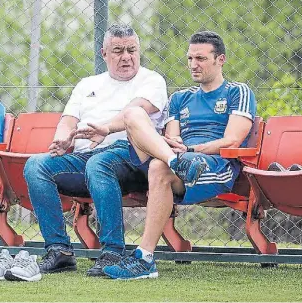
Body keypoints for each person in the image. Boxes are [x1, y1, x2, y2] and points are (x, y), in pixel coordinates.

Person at [0, 24, 168, 281]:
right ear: (104, 53)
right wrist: (62, 138)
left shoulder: (151, 80)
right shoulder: (87, 84)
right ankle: (59, 251)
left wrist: (105, 129)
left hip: (132, 156)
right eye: (118, 50)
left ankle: (113, 252)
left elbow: (134, 110)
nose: (126, 56)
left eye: (132, 50)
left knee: (99, 163)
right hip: (85, 158)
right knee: (36, 165)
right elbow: (68, 119)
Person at [99, 30, 256, 279]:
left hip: (214, 166)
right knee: (134, 118)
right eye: (190, 58)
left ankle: (144, 258)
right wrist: (173, 149)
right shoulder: (180, 98)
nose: (194, 65)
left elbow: (232, 140)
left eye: (201, 59)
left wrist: (190, 150)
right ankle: (145, 259)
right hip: (179, 161)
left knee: (159, 167)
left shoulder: (238, 92)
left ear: (220, 59)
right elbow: (173, 137)